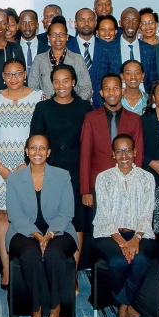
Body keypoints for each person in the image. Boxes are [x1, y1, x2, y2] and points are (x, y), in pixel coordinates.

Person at [6, 134, 77, 317]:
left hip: (60, 230)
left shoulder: (63, 176)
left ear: (49, 152)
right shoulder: (14, 178)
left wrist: (50, 234)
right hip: (23, 231)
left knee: (54, 253)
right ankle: (35, 307)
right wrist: (37, 235)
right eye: (33, 148)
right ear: (26, 151)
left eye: (42, 148)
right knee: (30, 254)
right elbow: (15, 216)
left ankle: (55, 306)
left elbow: (66, 213)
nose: (37, 152)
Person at [92, 134, 156, 317]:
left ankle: (123, 306)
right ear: (113, 154)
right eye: (119, 151)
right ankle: (127, 306)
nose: (124, 155)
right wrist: (121, 241)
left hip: (141, 233)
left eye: (128, 150)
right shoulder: (103, 178)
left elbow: (148, 213)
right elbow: (103, 213)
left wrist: (136, 239)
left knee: (140, 260)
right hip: (108, 233)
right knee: (118, 261)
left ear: (135, 152)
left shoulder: (147, 178)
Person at [0, 59, 41, 287]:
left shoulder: (38, 98)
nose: (14, 78)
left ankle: (28, 267)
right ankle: (7, 267)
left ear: (25, 75)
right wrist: (0, 168)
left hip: (29, 167)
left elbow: (41, 135)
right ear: (2, 77)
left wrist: (25, 166)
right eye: (8, 74)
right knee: (2, 215)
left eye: (18, 73)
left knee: (28, 216)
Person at [30, 64, 94, 245]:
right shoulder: (43, 108)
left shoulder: (84, 107)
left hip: (77, 168)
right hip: (50, 167)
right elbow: (35, 141)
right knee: (50, 215)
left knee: (77, 219)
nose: (61, 85)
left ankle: (73, 270)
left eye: (65, 81)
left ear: (73, 82)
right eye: (56, 82)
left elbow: (90, 143)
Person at [79, 73, 145, 226]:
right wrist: (86, 190)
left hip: (127, 183)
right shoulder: (91, 118)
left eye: (115, 88)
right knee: (101, 229)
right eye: (107, 89)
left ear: (122, 91)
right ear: (101, 93)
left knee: (126, 226)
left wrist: (137, 184)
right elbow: (85, 155)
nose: (111, 93)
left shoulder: (135, 119)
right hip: (99, 183)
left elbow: (139, 153)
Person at [27, 18, 92, 100]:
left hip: (73, 109)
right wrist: (46, 103)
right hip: (47, 108)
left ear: (67, 37)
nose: (58, 38)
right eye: (53, 35)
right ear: (48, 37)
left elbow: (86, 88)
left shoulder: (78, 59)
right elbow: (32, 86)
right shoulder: (39, 59)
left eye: (61, 34)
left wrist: (74, 103)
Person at [118, 8, 158, 91]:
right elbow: (101, 80)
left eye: (135, 21)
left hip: (144, 100)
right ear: (120, 23)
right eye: (127, 20)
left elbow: (153, 81)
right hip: (117, 101)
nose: (131, 24)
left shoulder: (149, 50)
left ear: (139, 24)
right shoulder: (108, 48)